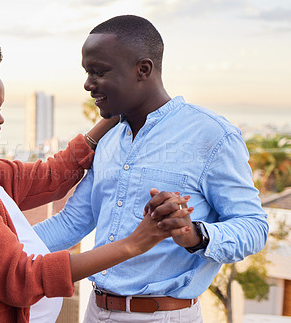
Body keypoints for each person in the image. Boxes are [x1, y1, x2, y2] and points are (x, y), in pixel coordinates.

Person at [0, 35, 193, 323]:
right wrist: (133, 244)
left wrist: (115, 112)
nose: (0, 118)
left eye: (1, 107)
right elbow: (19, 278)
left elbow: (50, 177)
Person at [33, 15, 269, 322]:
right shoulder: (108, 140)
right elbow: (72, 223)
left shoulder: (211, 135)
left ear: (143, 69)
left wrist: (194, 234)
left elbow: (255, 227)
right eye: (87, 72)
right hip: (95, 311)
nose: (88, 84)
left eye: (98, 72)